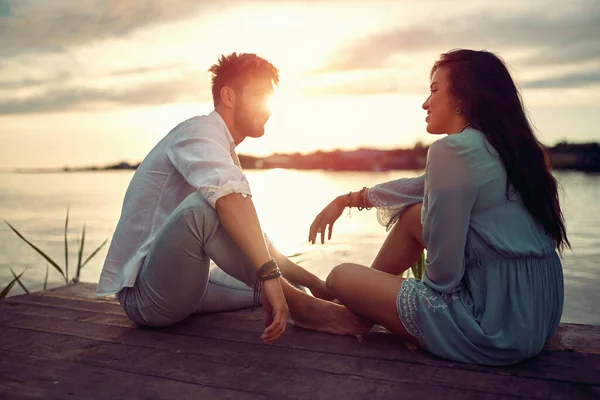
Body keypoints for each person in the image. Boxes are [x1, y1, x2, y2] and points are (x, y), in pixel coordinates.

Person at [309, 49, 569, 365]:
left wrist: (403, 303)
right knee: (412, 217)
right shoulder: (514, 147)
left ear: (462, 98)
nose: (425, 102)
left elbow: (444, 276)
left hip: (495, 326)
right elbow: (420, 187)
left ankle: (356, 311)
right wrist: (348, 199)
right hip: (539, 312)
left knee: (340, 277)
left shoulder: (452, 149)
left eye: (434, 90)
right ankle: (362, 309)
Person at [96, 52, 367, 344]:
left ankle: (303, 299)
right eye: (259, 94)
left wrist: (316, 284)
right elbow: (227, 201)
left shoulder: (223, 151)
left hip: (193, 288)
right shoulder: (198, 132)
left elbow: (255, 239)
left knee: (281, 279)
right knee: (206, 209)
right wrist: (268, 275)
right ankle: (304, 309)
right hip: (148, 298)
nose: (268, 108)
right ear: (228, 96)